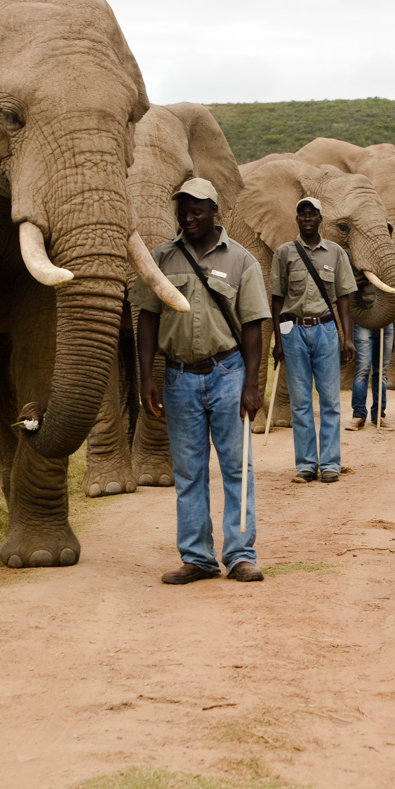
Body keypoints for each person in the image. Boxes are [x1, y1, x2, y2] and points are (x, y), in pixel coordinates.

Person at [135, 177, 271, 584]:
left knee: (236, 467)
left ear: (215, 211)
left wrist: (252, 385)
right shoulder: (161, 258)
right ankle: (197, 558)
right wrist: (147, 377)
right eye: (183, 211)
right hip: (178, 377)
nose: (188, 218)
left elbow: (253, 327)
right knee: (188, 472)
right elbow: (147, 320)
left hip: (228, 372)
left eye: (196, 210)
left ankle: (240, 555)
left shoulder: (242, 260)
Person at [269, 197, 358, 483]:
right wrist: (278, 340)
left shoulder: (336, 253)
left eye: (312, 213)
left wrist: (348, 338)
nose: (307, 218)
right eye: (302, 214)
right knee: (300, 402)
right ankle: (306, 465)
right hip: (293, 331)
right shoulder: (284, 253)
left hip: (326, 330)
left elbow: (343, 298)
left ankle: (330, 464)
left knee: (330, 400)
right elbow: (277, 299)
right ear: (296, 219)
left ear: (321, 219)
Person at [348, 323, 393, 430]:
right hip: (363, 323)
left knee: (381, 372)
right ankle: (358, 415)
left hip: (387, 325)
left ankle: (379, 415)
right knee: (362, 370)